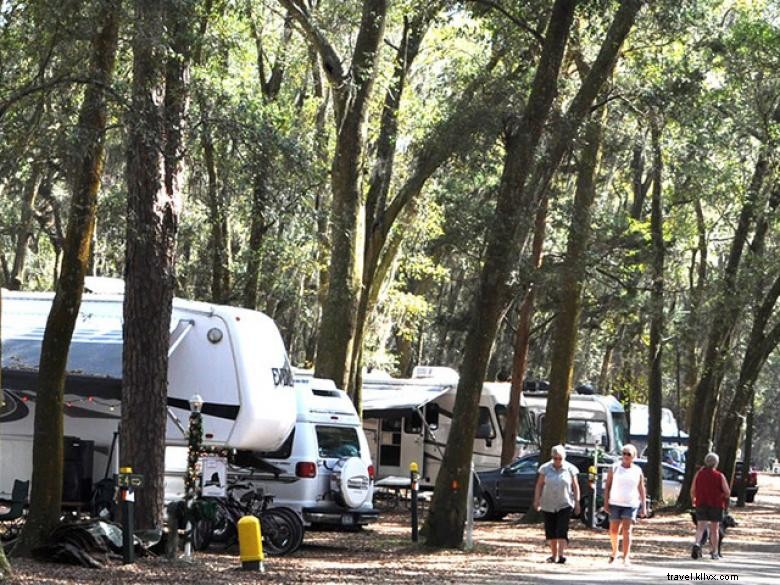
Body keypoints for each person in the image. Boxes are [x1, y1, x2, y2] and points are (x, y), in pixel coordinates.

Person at [534, 445, 581, 564]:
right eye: (555, 458)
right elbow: (539, 485)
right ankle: (553, 555)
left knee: (561, 529)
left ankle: (560, 555)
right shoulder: (545, 468)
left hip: (565, 503)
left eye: (560, 458)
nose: (557, 461)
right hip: (548, 503)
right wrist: (537, 500)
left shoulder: (570, 469)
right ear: (552, 457)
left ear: (564, 458)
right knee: (551, 530)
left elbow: (575, 486)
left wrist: (577, 502)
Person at [604, 443, 646, 565]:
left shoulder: (637, 470)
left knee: (627, 531)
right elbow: (607, 486)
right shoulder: (615, 467)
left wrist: (643, 506)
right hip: (615, 503)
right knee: (613, 530)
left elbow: (641, 488)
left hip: (631, 504)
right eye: (624, 453)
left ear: (634, 456)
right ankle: (614, 551)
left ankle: (626, 556)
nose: (626, 456)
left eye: (629, 454)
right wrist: (606, 503)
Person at [690, 452, 731, 560]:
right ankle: (714, 552)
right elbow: (727, 492)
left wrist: (694, 500)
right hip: (716, 504)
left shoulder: (698, 474)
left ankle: (697, 544)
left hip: (701, 503)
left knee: (700, 528)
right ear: (716, 463)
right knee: (714, 529)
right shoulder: (719, 476)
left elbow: (692, 490)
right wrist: (722, 496)